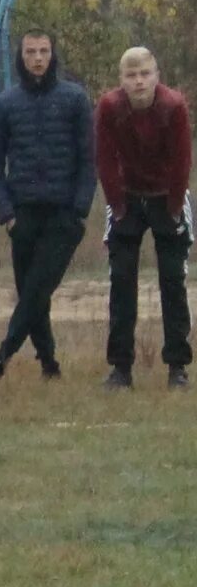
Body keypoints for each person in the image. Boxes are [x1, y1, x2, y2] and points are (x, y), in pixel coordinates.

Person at [0, 31, 95, 383]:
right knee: (31, 291)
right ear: (21, 56)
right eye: (31, 52)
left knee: (38, 287)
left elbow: (89, 161)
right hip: (22, 213)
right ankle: (49, 364)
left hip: (63, 213)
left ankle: (1, 357)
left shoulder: (74, 99)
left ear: (53, 54)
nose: (38, 58)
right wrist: (6, 214)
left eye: (44, 51)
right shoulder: (6, 103)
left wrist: (79, 210)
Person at [96, 45, 192, 390]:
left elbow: (182, 161)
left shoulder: (173, 106)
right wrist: (116, 204)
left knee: (173, 281)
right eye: (131, 75)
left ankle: (177, 367)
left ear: (157, 76)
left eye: (145, 74)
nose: (138, 82)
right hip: (127, 196)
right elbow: (104, 159)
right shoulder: (109, 106)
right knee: (121, 281)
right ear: (121, 79)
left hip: (168, 195)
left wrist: (176, 206)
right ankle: (121, 368)